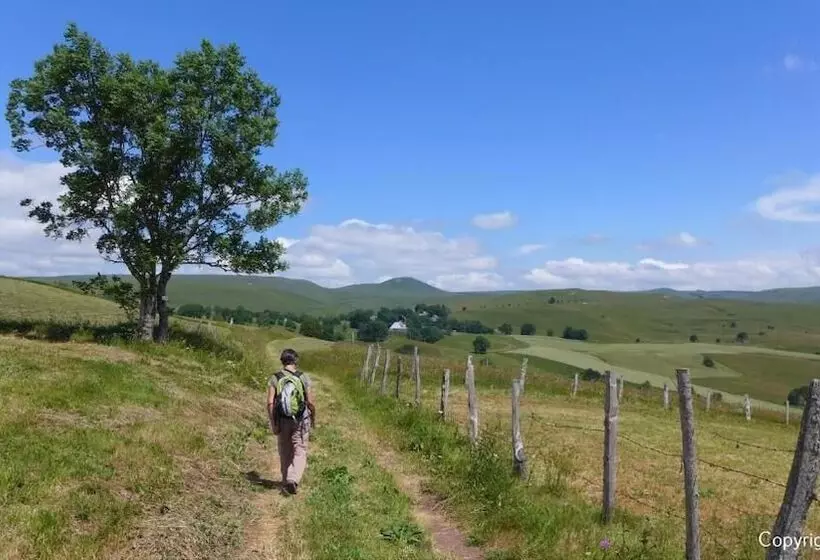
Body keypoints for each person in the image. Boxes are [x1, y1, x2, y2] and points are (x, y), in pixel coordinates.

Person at [267, 348, 316, 495]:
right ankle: (293, 479)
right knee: (300, 449)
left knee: (285, 450)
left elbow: (270, 402)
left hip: (282, 419)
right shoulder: (303, 377)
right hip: (301, 419)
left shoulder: (275, 378)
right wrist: (313, 417)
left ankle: (285, 480)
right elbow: (310, 402)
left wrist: (273, 423)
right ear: (296, 361)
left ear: (282, 361)